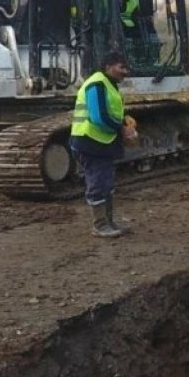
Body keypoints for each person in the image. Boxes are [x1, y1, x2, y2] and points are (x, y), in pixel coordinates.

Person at [70, 52, 137, 238]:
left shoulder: (109, 85)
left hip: (101, 142)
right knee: (98, 183)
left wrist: (124, 118)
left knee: (106, 183)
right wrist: (122, 130)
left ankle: (108, 222)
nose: (125, 71)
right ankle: (100, 225)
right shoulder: (97, 84)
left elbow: (110, 110)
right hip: (90, 142)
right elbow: (98, 117)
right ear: (108, 66)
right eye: (121, 67)